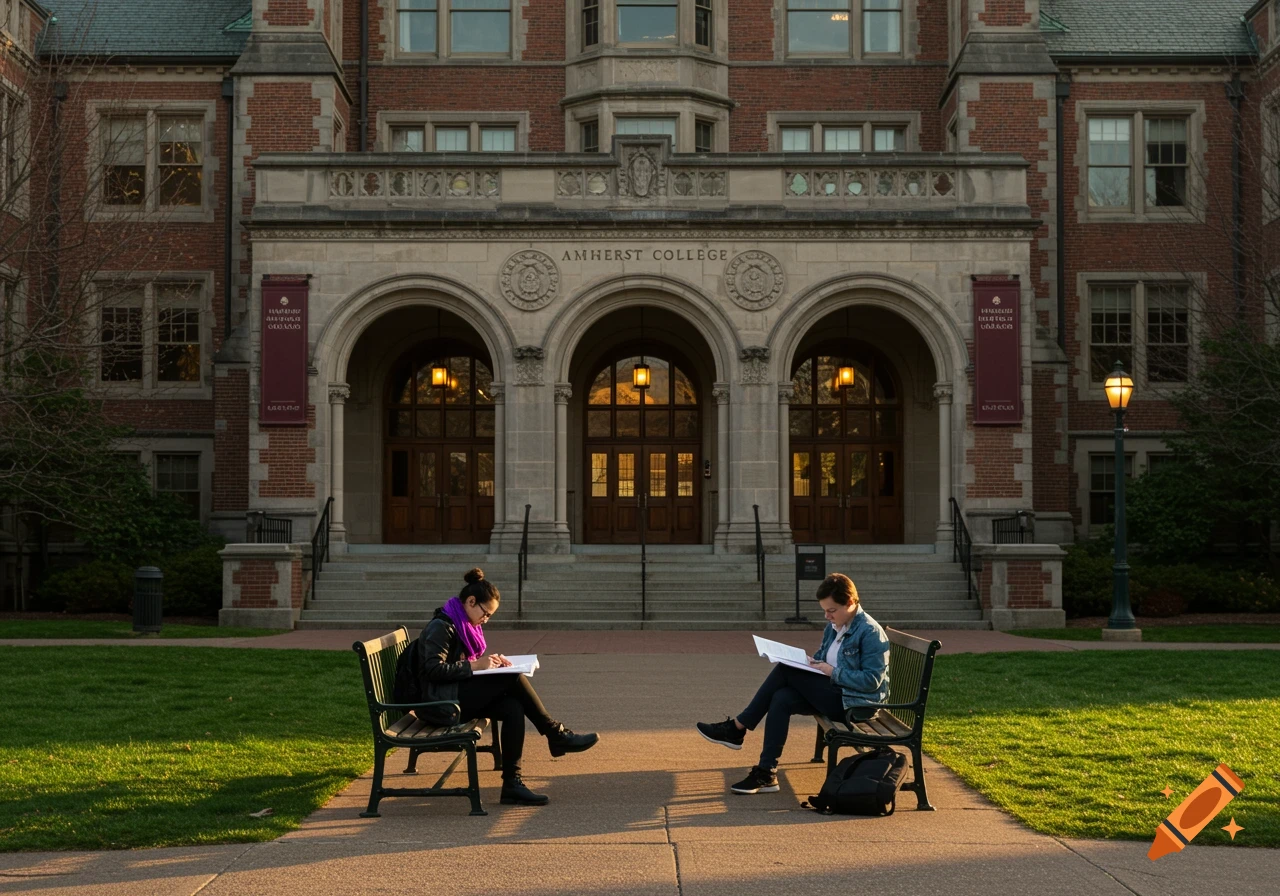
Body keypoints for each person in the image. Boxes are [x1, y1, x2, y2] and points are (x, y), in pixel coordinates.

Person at [406, 568, 599, 806]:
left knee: (512, 707)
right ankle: (555, 734)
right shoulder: (442, 626)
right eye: (485, 614)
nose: (485, 620)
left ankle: (512, 784)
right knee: (512, 678)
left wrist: (490, 663)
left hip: (451, 695)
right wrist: (476, 665)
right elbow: (432, 670)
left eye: (490, 616)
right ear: (471, 601)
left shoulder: (462, 624)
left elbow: (462, 664)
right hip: (439, 705)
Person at [695, 573, 890, 795]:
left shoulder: (870, 632)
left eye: (832, 610)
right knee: (782, 698)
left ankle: (737, 727)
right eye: (824, 610)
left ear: (851, 603)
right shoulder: (835, 626)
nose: (826, 616)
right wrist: (810, 662)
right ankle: (767, 772)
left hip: (854, 705)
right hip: (833, 694)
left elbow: (872, 681)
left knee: (786, 670)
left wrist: (832, 672)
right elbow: (823, 657)